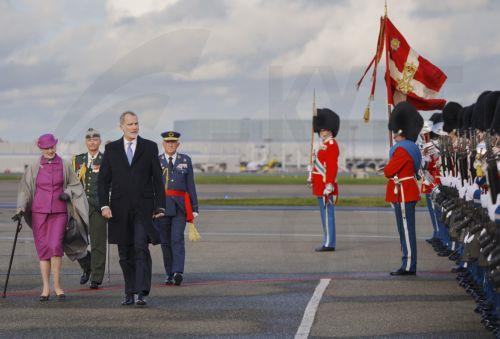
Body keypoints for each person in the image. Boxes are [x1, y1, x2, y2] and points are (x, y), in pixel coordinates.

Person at [98, 111, 165, 306]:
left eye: (136, 123)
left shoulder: (149, 147)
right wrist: (104, 205)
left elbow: (158, 180)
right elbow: (103, 181)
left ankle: (141, 292)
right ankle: (129, 290)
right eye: (130, 124)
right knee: (125, 253)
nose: (134, 127)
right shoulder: (112, 149)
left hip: (144, 209)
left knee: (140, 247)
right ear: (121, 127)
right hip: (119, 209)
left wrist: (160, 205)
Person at [16, 133, 89, 301]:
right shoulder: (34, 166)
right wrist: (20, 208)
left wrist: (67, 193)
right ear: (41, 148)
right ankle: (45, 288)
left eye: (52, 146)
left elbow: (76, 185)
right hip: (39, 213)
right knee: (43, 250)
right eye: (46, 147)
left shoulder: (64, 164)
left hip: (59, 212)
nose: (50, 150)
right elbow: (25, 190)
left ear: (56, 146)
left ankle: (57, 286)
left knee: (56, 246)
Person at [155, 131, 198, 285]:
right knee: (165, 242)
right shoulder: (156, 160)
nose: (171, 144)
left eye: (173, 142)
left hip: (180, 206)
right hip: (162, 207)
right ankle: (169, 273)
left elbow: (190, 185)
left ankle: (178, 271)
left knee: (177, 238)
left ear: (178, 144)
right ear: (163, 144)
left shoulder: (185, 160)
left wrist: (194, 207)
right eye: (168, 142)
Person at [384, 102, 423, 276]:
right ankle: (407, 262)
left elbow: (388, 171)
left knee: (406, 231)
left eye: (395, 132)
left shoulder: (401, 150)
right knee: (405, 229)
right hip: (404, 190)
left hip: (403, 192)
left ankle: (408, 265)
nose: (393, 135)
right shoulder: (408, 148)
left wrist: (391, 158)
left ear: (401, 131)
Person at [73, 128, 107, 289]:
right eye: (89, 140)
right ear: (86, 142)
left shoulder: (106, 159)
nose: (92, 142)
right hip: (80, 206)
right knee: (75, 240)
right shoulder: (78, 160)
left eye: (95, 139)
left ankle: (96, 277)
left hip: (99, 206)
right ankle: (87, 266)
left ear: (99, 142)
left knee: (98, 242)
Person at [311, 108, 340, 252]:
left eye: (325, 129)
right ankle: (327, 240)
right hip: (319, 185)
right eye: (320, 130)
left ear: (331, 130)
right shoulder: (323, 146)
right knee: (324, 217)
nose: (322, 132)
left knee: (328, 216)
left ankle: (329, 243)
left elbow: (332, 167)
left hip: (326, 186)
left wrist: (329, 184)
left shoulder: (332, 145)